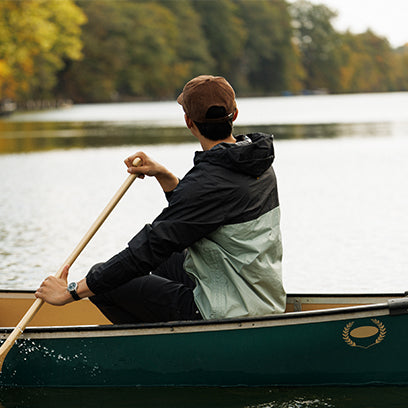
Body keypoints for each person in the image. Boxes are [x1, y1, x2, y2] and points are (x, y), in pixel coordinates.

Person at [35, 75, 286, 323]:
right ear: (235, 114)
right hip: (261, 297)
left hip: (228, 313)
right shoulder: (255, 160)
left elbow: (148, 248)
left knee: (106, 282)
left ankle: (156, 350)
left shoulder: (209, 181)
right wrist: (165, 176)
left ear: (189, 122)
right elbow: (199, 215)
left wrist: (71, 292)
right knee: (167, 258)